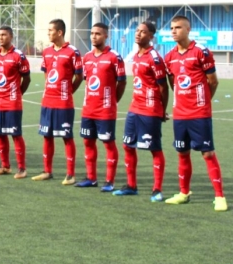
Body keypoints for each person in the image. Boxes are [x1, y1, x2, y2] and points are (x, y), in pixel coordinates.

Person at [163, 15, 227, 211]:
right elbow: (173, 81)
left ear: (188, 29)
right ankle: (184, 193)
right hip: (180, 114)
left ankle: (219, 196)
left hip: (199, 113)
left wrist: (203, 101)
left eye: (178, 28)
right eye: (172, 28)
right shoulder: (170, 56)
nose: (174, 31)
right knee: (182, 153)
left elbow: (213, 81)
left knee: (207, 154)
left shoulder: (201, 52)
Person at [113, 22, 168, 201]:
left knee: (154, 148)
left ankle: (157, 189)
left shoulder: (155, 58)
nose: (138, 34)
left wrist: (162, 110)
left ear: (151, 36)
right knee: (127, 145)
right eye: (137, 30)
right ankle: (131, 185)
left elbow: (163, 87)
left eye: (143, 32)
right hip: (134, 108)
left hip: (150, 109)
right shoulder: (136, 55)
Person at [32, 19, 84, 184]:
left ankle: (70, 174)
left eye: (50, 30)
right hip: (47, 101)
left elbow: (79, 76)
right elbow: (47, 74)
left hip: (63, 103)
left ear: (60, 32)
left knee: (66, 137)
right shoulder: (46, 52)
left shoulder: (72, 52)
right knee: (47, 136)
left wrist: (68, 91)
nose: (48, 33)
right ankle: (47, 171)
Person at [75, 23, 126, 191]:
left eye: (98, 33)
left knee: (108, 143)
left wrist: (112, 101)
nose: (93, 36)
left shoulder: (114, 57)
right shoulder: (87, 57)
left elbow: (122, 82)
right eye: (92, 33)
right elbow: (87, 81)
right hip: (88, 109)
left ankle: (110, 181)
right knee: (88, 142)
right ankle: (91, 178)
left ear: (106, 36)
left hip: (105, 110)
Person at [0, 25, 31, 179]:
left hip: (12, 103)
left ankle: (22, 168)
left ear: (11, 37)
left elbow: (27, 78)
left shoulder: (19, 56)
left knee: (15, 134)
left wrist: (17, 94)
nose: (1, 37)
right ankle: (5, 166)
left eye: (4, 35)